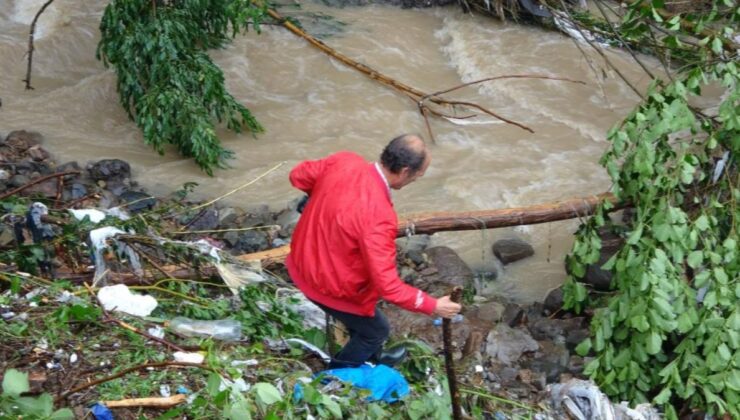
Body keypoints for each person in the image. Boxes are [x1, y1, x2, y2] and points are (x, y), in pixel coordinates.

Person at [286, 134, 462, 369]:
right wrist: (432, 305)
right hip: (324, 285)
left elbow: (297, 175)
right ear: (404, 171)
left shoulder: (344, 161)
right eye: (419, 175)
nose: (418, 179)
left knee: (364, 320)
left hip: (301, 260)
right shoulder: (378, 217)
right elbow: (388, 287)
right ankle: (335, 375)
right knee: (376, 330)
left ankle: (370, 357)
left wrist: (318, 194)